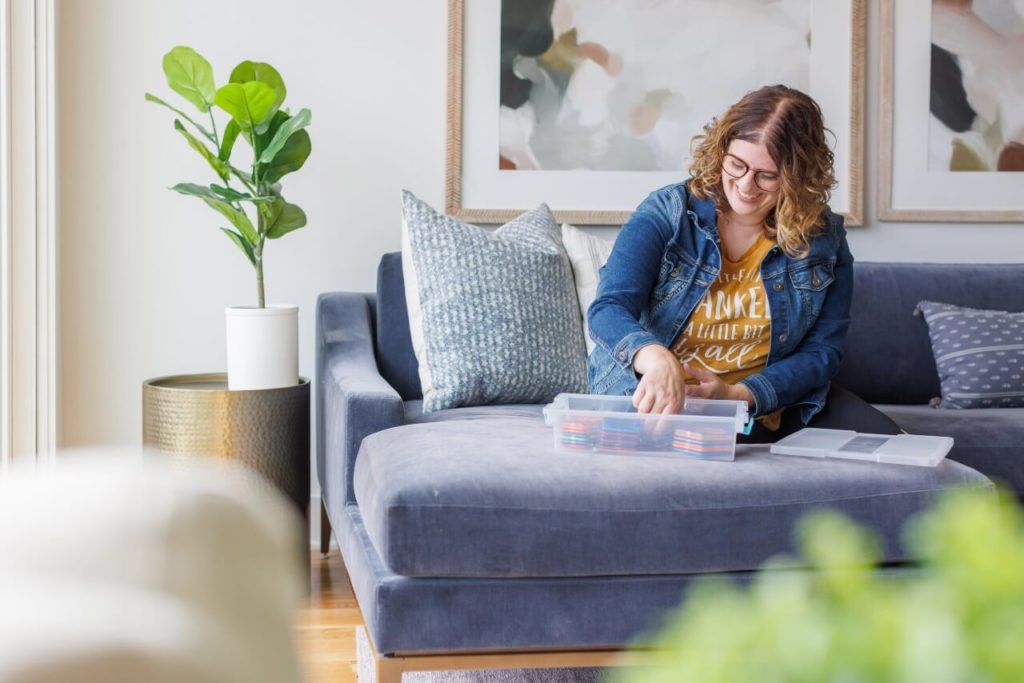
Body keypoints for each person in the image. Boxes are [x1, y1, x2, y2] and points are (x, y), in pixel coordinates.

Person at [587, 84, 901, 442]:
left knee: (900, 452)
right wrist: (655, 358)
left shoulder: (823, 237)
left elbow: (822, 353)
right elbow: (608, 308)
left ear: (799, 177)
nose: (746, 186)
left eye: (766, 175)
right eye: (736, 164)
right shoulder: (667, 213)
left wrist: (740, 395)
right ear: (721, 150)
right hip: (656, 399)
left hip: (763, 403)